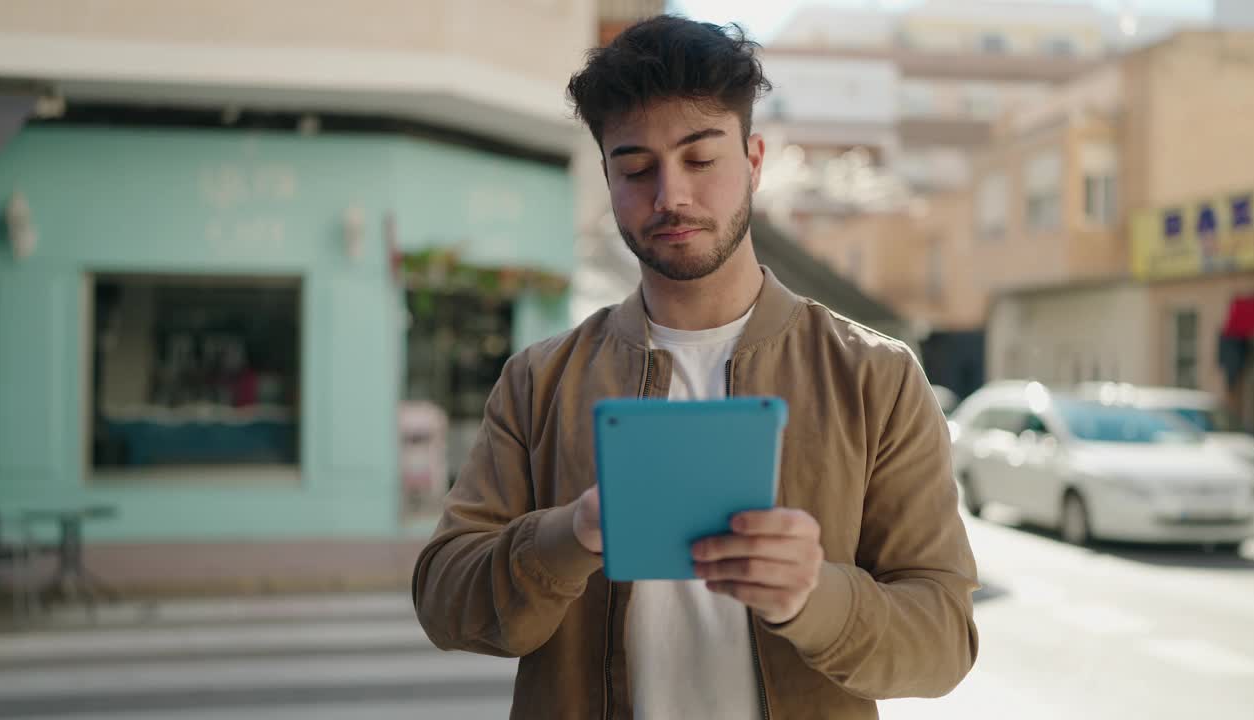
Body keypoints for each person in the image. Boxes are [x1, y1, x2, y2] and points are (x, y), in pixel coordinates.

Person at [413, 15, 979, 719]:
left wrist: (813, 596)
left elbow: (945, 640)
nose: (670, 195)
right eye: (636, 168)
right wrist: (574, 534)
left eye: (700, 159)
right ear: (608, 179)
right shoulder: (538, 381)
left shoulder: (875, 376)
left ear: (755, 160)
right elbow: (442, 601)